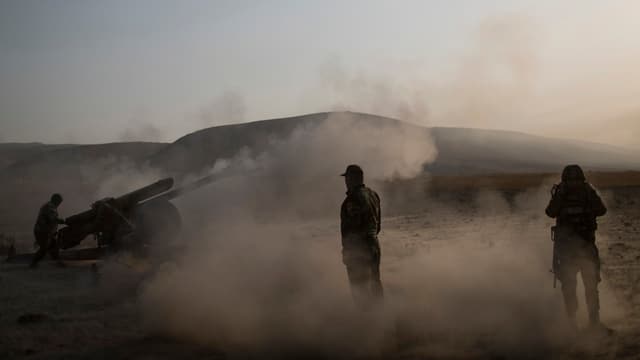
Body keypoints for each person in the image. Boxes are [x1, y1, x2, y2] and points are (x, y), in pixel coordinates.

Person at [545, 165, 609, 332]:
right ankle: (593, 324)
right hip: (585, 246)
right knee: (590, 286)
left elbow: (550, 212)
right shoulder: (587, 191)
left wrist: (561, 195)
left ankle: (573, 325)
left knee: (569, 286)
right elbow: (602, 210)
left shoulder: (562, 192)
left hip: (567, 249)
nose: (573, 183)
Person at [340, 164, 383, 309]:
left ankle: (366, 323)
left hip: (359, 250)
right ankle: (383, 317)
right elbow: (378, 226)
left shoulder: (352, 200)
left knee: (359, 288)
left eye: (347, 178)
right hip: (374, 246)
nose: (345, 181)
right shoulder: (373, 195)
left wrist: (348, 252)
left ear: (352, 179)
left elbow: (352, 230)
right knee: (375, 283)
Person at [30, 193, 66, 268]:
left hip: (46, 232)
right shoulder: (49, 207)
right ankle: (33, 263)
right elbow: (52, 219)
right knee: (44, 248)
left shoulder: (50, 206)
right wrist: (63, 221)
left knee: (54, 246)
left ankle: (58, 263)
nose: (59, 204)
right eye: (59, 202)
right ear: (56, 200)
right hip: (42, 231)